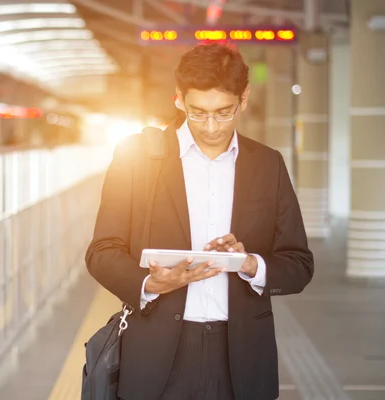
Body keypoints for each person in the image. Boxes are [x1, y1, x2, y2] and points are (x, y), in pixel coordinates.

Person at [85, 42, 314, 400]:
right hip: (157, 353)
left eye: (224, 112)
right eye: (198, 112)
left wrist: (250, 264)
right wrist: (150, 284)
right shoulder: (138, 159)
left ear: (244, 99)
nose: (210, 126)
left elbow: (299, 264)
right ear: (178, 99)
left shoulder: (267, 165)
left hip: (241, 357)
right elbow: (102, 251)